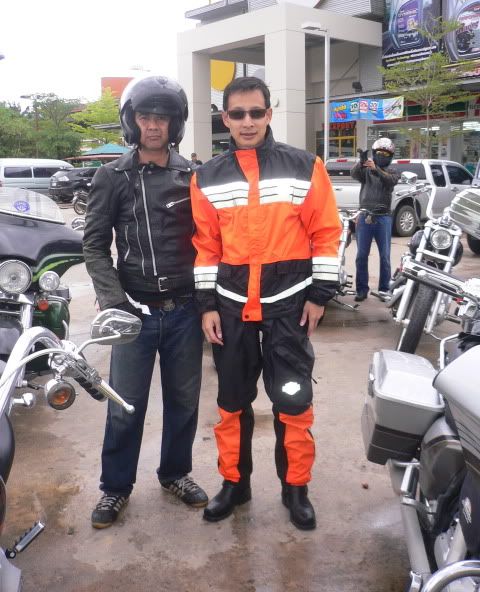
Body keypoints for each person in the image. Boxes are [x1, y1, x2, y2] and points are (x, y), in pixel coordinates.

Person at [190, 76, 342, 531]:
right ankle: (235, 484)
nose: (248, 122)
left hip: (288, 309)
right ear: (225, 118)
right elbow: (206, 247)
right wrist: (207, 305)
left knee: (293, 401)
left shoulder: (304, 166)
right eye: (238, 114)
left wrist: (320, 296)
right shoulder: (206, 176)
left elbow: (326, 233)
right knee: (232, 402)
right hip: (232, 309)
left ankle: (295, 488)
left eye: (256, 112)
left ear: (269, 114)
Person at [83, 75, 208, 529]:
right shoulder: (111, 176)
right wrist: (114, 301)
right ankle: (115, 487)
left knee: (184, 401)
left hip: (185, 311)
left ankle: (175, 473)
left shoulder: (191, 176)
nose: (153, 125)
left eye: (162, 117)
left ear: (175, 123)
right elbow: (95, 245)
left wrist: (209, 303)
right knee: (125, 404)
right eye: (144, 116)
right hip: (132, 313)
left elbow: (209, 242)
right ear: (131, 121)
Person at [351, 137, 400, 302]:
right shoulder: (366, 170)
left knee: (385, 256)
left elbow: (390, 180)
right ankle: (361, 290)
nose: (382, 156)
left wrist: (376, 169)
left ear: (390, 156)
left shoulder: (392, 172)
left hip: (383, 217)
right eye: (379, 153)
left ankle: (384, 289)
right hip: (365, 216)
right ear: (374, 153)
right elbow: (354, 174)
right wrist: (361, 162)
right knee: (361, 255)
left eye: (386, 154)